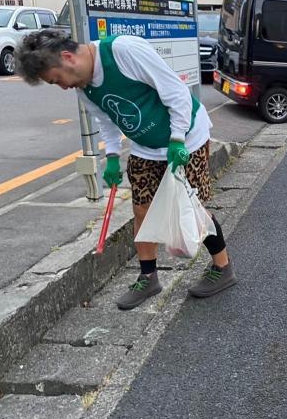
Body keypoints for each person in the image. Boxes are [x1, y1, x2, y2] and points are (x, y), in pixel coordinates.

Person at [16, 29, 237, 310]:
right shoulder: (83, 86)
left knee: (190, 208)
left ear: (67, 57)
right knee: (141, 209)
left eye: (56, 79)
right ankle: (148, 277)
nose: (62, 87)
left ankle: (223, 267)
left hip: (187, 137)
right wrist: (111, 156)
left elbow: (176, 93)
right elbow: (107, 121)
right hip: (145, 146)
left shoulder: (123, 51)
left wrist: (177, 139)